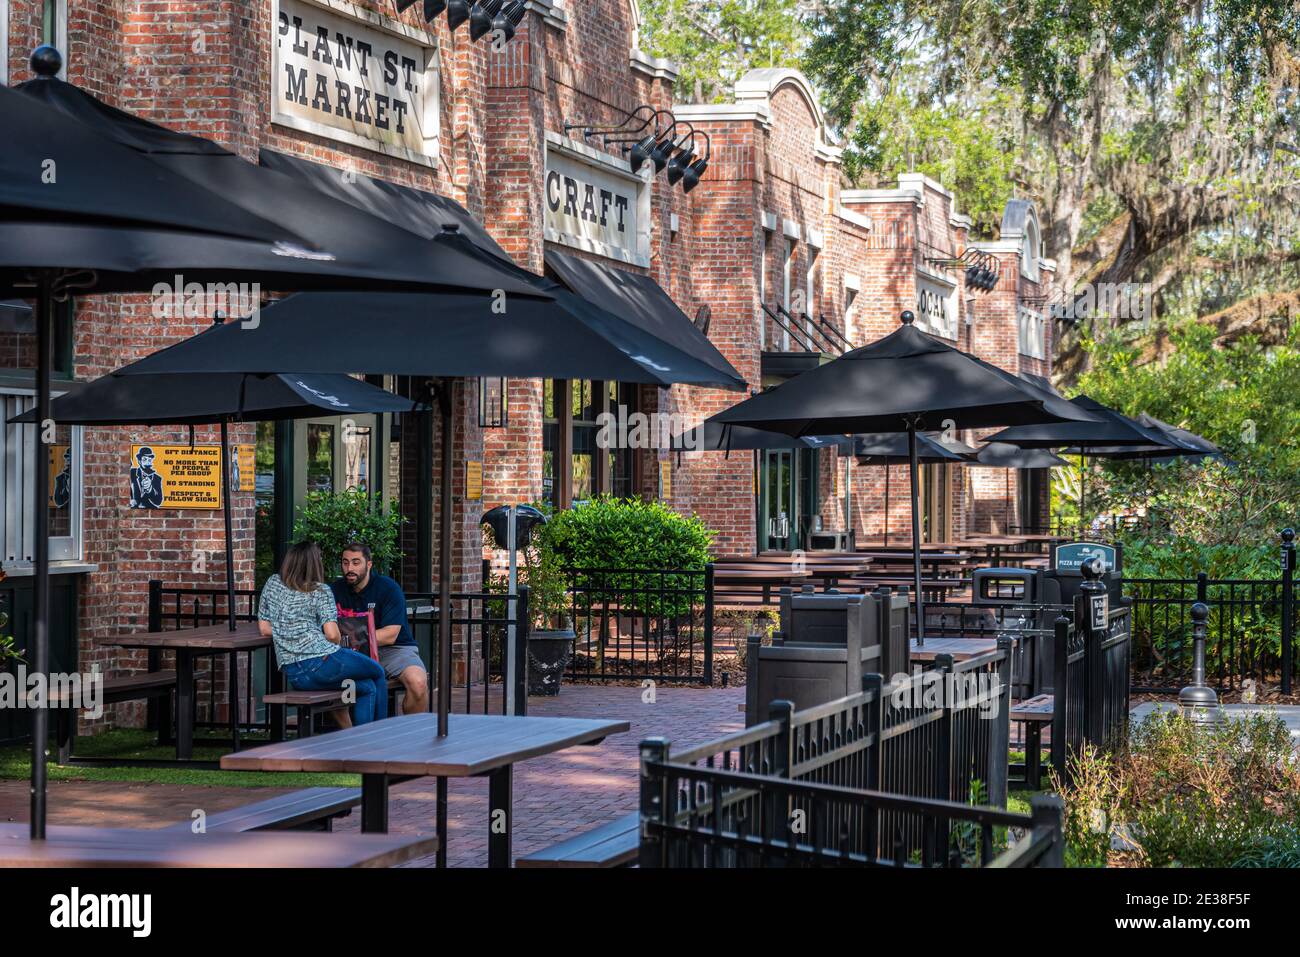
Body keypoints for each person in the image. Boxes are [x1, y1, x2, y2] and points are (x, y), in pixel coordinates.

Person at [259, 541, 387, 727]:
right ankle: (381, 735)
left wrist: (291, 631)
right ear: (313, 563)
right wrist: (310, 633)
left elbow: (264, 628)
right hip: (322, 661)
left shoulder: (272, 583)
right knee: (378, 672)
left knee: (366, 687)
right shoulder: (320, 590)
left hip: (296, 674)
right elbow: (332, 635)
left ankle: (361, 742)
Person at [331, 541, 428, 714]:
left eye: (355, 562)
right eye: (345, 562)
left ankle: (412, 734)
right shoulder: (335, 590)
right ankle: (350, 736)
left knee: (418, 683)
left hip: (394, 650)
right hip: (351, 652)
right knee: (334, 689)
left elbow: (390, 634)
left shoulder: (388, 588)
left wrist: (351, 637)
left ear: (369, 564)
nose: (349, 568)